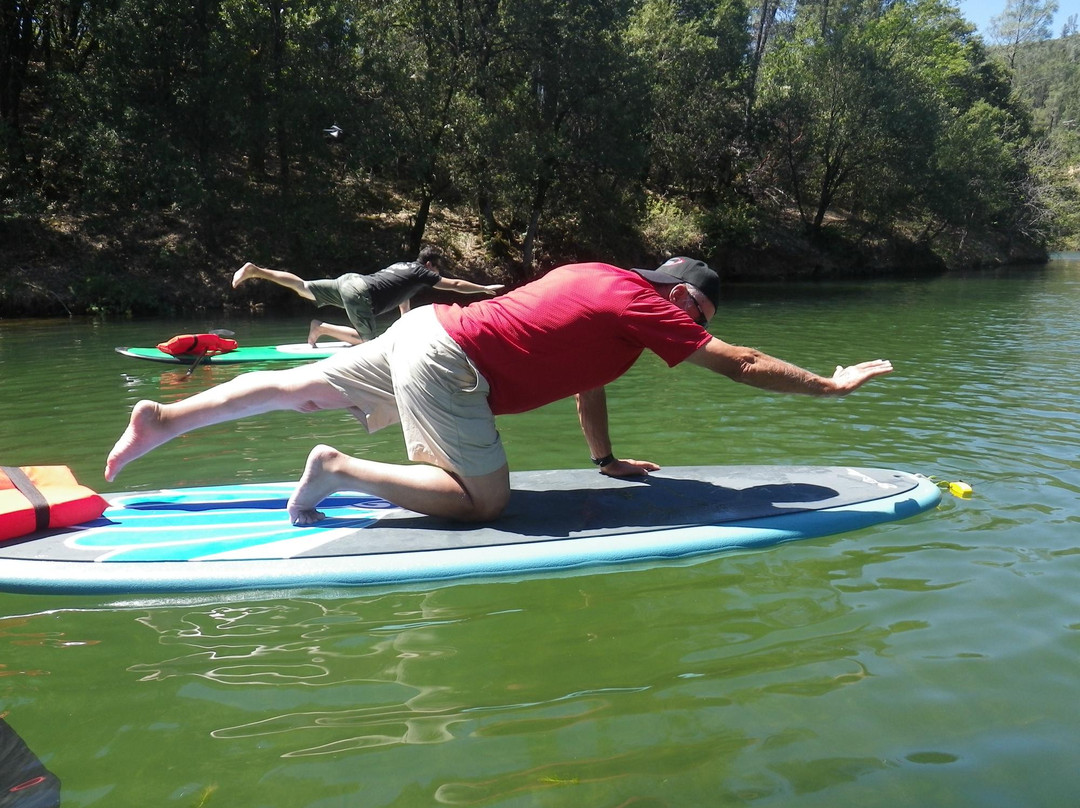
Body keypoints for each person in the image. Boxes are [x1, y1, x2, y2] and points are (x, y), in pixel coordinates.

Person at [106, 257, 894, 525]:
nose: (690, 326)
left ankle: (162, 418)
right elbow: (744, 363)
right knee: (484, 504)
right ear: (686, 300)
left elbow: (588, 380)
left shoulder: (597, 280)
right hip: (452, 365)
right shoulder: (646, 305)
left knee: (296, 385)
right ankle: (337, 470)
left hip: (427, 333)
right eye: (700, 315)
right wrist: (831, 387)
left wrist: (607, 457)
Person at [231, 246, 505, 345]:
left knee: (302, 287)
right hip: (362, 294)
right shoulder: (422, 273)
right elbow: (455, 285)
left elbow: (402, 298)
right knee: (369, 346)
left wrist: (405, 324)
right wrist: (483, 289)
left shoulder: (403, 267)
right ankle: (321, 327)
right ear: (430, 265)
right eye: (437, 268)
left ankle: (257, 270)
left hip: (351, 281)